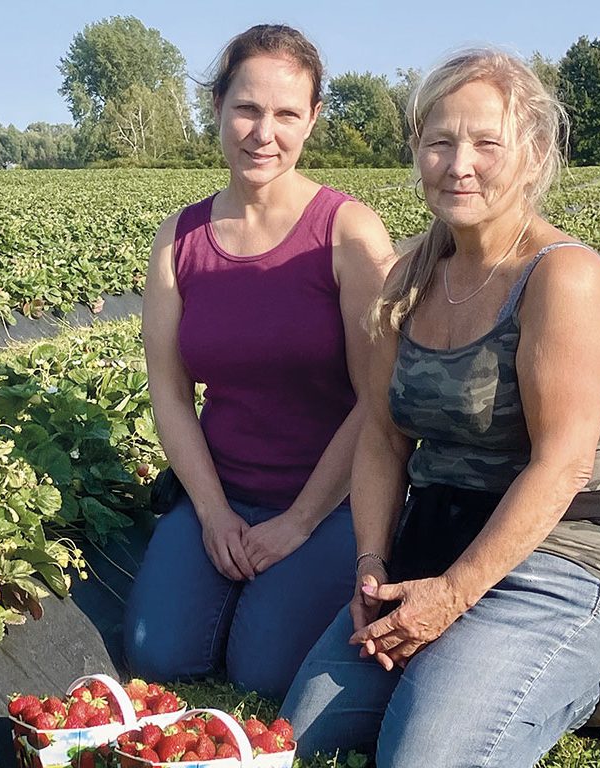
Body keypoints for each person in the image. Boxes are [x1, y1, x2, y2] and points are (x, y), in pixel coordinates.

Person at [282, 47, 600, 766]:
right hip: (439, 538)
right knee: (302, 737)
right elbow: (383, 438)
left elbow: (563, 463)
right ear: (417, 149)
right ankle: (479, 671)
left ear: (535, 153)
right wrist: (372, 563)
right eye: (440, 141)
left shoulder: (561, 278)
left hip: (566, 552)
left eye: (488, 142)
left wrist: (452, 597)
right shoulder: (408, 276)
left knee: (423, 756)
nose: (460, 164)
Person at [122, 24, 393, 701]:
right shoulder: (179, 239)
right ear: (216, 106)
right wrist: (212, 512)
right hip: (223, 488)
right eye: (246, 108)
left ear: (313, 119)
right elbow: (170, 393)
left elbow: (378, 399)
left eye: (285, 114)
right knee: (157, 654)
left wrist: (299, 521)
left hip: (330, 503)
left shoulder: (347, 232)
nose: (262, 132)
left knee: (264, 673)